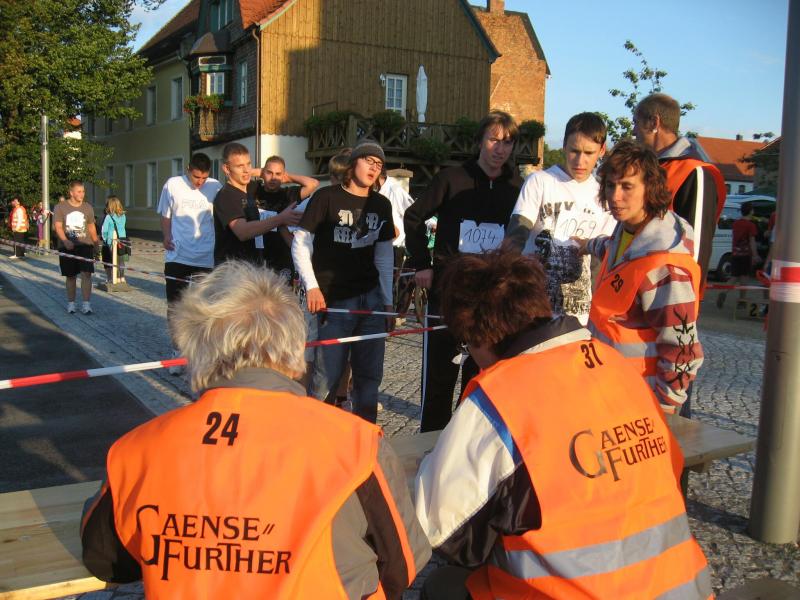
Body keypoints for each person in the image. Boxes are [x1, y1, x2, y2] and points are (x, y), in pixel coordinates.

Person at [80, 260, 430, 599]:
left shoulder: (138, 449)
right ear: (295, 348)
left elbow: (106, 559)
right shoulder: (355, 445)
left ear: (194, 349)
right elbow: (403, 565)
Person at [414, 249, 711, 600]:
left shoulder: (501, 398)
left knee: (442, 586)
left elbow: (439, 525)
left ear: (479, 337)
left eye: (466, 345)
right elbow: (668, 469)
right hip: (684, 586)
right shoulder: (620, 369)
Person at [403, 110, 523, 432]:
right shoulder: (451, 179)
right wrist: (422, 263)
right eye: (493, 140)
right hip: (449, 293)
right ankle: (430, 445)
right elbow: (413, 217)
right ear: (479, 141)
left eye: (507, 142)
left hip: (492, 298)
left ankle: (468, 444)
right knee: (439, 380)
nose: (500, 149)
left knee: (482, 380)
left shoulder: (518, 187)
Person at [580, 141, 703, 412]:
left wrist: (666, 407)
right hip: (609, 387)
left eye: (627, 186)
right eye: (610, 185)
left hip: (641, 400)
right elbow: (612, 251)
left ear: (650, 188)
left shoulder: (665, 265)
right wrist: (585, 244)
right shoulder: (627, 231)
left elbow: (683, 348)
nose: (615, 196)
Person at [292, 139, 395, 424]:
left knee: (369, 378)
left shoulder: (381, 205)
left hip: (371, 301)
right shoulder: (326, 197)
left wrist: (388, 302)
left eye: (379, 164)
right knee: (326, 378)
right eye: (368, 161)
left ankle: (365, 437)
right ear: (353, 164)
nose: (374, 168)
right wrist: (312, 286)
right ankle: (314, 434)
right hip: (334, 301)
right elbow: (301, 242)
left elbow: (384, 257)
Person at [506, 112, 615, 324]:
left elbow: (600, 261)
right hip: (533, 309)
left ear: (601, 150)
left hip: (580, 315)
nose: (580, 161)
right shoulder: (539, 181)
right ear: (564, 146)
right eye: (574, 151)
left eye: (589, 153)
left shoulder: (606, 194)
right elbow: (516, 234)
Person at [633, 93, 726, 283]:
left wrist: (686, 296)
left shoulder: (694, 172)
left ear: (654, 122)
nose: (634, 131)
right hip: (639, 284)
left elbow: (697, 245)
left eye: (636, 122)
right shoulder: (648, 168)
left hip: (671, 292)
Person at [158, 152, 222, 374]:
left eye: (204, 178)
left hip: (206, 256)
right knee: (176, 306)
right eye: (196, 177)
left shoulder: (215, 186)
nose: (200, 182)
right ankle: (177, 351)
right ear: (188, 169)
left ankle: (202, 352)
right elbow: (165, 215)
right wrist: (166, 235)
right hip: (178, 256)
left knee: (205, 306)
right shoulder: (172, 185)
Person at [213, 143, 302, 266]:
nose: (246, 170)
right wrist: (281, 218)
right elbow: (243, 231)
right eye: (240, 166)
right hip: (232, 271)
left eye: (248, 164)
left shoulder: (248, 191)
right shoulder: (226, 195)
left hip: (251, 267)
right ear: (227, 169)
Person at [250, 155, 319, 278]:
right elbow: (239, 175)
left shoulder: (289, 194)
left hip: (281, 256)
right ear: (263, 173)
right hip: (255, 255)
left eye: (278, 174)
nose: (273, 178)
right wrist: (260, 172)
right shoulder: (254, 189)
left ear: (283, 175)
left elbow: (313, 184)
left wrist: (288, 177)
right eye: (269, 173)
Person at [53, 181, 99, 314]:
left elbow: (91, 226)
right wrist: (65, 240)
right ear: (71, 193)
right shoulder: (60, 207)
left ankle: (86, 304)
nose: (82, 194)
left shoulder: (88, 207)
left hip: (85, 245)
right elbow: (58, 227)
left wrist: (96, 243)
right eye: (79, 191)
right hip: (67, 247)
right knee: (71, 276)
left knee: (87, 274)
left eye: (83, 191)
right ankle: (71, 303)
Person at [717, 202, 761, 309]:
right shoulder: (751, 225)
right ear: (751, 211)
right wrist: (755, 255)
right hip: (745, 255)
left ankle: (724, 291)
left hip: (735, 253)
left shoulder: (736, 223)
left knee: (734, 277)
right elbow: (752, 241)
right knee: (744, 278)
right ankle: (742, 300)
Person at [100, 196, 129, 283]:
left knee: (112, 260)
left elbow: (104, 230)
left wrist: (105, 239)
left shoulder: (108, 217)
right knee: (121, 259)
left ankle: (113, 278)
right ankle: (122, 277)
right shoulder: (123, 216)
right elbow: (123, 227)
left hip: (111, 241)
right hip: (122, 239)